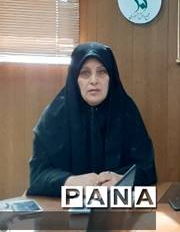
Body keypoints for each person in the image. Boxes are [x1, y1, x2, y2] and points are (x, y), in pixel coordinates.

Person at [27, 42, 157, 197]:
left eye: (102, 72)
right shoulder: (55, 116)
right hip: (64, 205)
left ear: (111, 77)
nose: (94, 80)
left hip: (117, 204)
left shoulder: (126, 111)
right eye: (85, 73)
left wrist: (121, 179)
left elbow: (148, 169)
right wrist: (70, 181)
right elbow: (37, 177)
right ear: (75, 78)